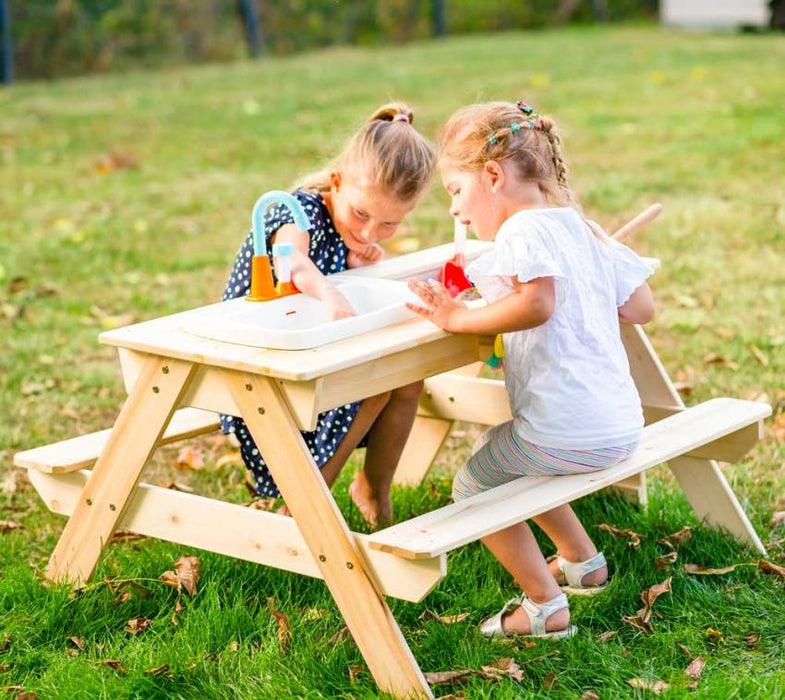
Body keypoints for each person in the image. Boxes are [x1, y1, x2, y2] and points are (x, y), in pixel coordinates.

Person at [407, 100, 655, 638]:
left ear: (492, 175)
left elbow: (537, 304)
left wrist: (456, 316)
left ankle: (544, 606)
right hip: (619, 426)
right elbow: (642, 308)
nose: (455, 211)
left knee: (475, 484)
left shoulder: (521, 231)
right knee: (510, 455)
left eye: (455, 191)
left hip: (566, 430)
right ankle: (582, 561)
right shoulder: (581, 229)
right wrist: (591, 287)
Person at [221, 102, 436, 527]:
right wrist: (333, 294)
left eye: (389, 224)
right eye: (362, 214)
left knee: (408, 376)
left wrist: (356, 263)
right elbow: (291, 265)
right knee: (375, 386)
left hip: (315, 355)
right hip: (260, 367)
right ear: (336, 182)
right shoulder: (297, 213)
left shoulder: (348, 230)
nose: (370, 231)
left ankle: (373, 487)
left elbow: (342, 268)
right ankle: (307, 507)